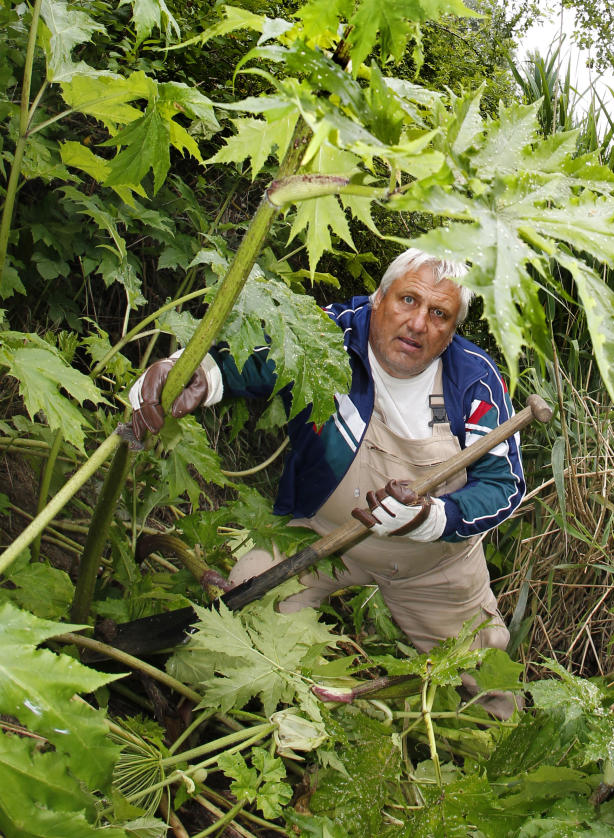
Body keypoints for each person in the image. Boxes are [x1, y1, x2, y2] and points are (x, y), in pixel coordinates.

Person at [129, 250, 525, 711]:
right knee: (249, 616)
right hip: (320, 537)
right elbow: (254, 355)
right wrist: (193, 373)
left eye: (439, 313)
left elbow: (502, 485)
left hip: (435, 568)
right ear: (378, 298)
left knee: (487, 685)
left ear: (453, 330)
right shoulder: (328, 335)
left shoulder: (475, 382)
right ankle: (290, 725)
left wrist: (433, 518)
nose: (418, 323)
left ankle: (498, 750)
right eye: (408, 300)